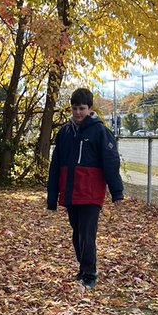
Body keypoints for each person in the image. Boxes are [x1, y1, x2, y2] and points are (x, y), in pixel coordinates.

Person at [46, 88, 123, 290]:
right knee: (77, 232)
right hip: (71, 191)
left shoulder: (100, 132)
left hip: (90, 192)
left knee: (87, 234)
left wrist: (117, 192)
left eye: (82, 108)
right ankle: (83, 268)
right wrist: (52, 197)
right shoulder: (64, 133)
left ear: (90, 108)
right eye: (74, 108)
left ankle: (90, 273)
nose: (78, 113)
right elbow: (55, 166)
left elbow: (111, 162)